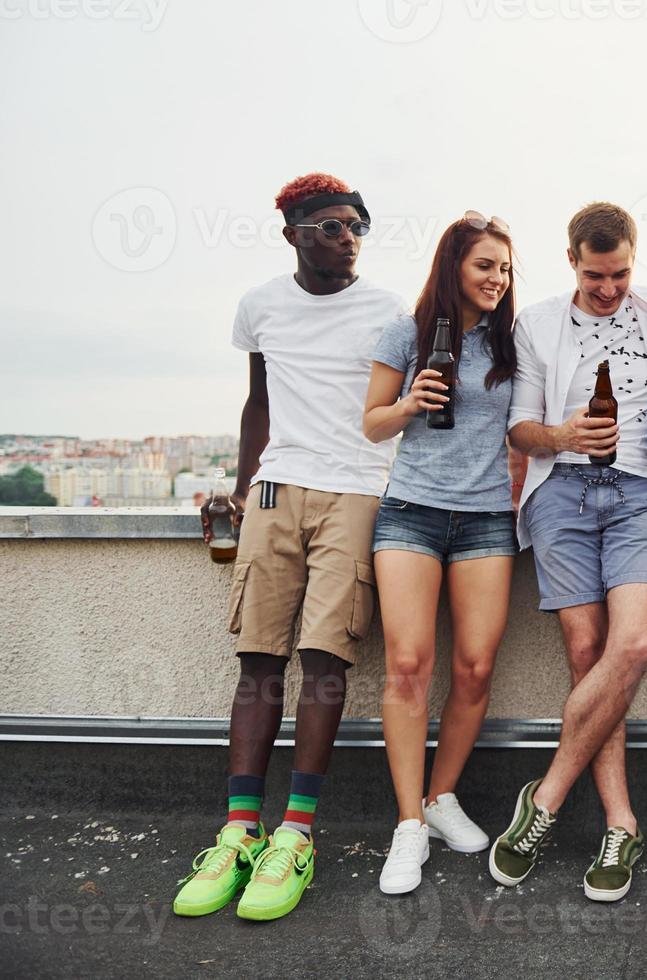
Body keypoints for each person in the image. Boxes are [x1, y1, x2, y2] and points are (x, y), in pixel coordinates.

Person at [177, 173, 403, 921]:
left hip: (356, 490)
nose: (348, 240)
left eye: (356, 227)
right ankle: (241, 831)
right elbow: (260, 401)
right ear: (294, 233)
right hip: (276, 489)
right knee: (259, 660)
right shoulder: (261, 306)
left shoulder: (387, 311)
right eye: (333, 227)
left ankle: (296, 834)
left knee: (324, 660)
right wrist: (242, 489)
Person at [489, 202, 647, 903]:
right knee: (586, 653)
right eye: (594, 274)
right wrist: (564, 436)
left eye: (620, 273)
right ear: (571, 261)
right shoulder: (540, 322)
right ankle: (620, 822)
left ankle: (544, 799)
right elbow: (520, 428)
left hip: (640, 492)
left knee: (633, 646)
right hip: (563, 494)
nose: (608, 288)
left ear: (634, 259)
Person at [362, 212, 527, 894]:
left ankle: (441, 796)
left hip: (487, 518)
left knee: (475, 665)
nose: (498, 278)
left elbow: (522, 431)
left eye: (507, 268)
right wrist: (406, 404)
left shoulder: (511, 342)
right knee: (406, 664)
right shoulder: (408, 331)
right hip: (412, 512)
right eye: (486, 265)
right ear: (454, 265)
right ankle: (408, 824)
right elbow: (371, 424)